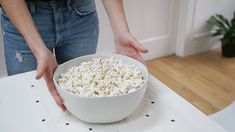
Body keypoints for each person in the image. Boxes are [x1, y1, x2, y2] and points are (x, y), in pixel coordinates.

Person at [0, 0, 148, 111]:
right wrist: (39, 49)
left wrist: (120, 30)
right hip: (23, 13)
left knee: (84, 103)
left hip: (80, 12)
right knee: (30, 105)